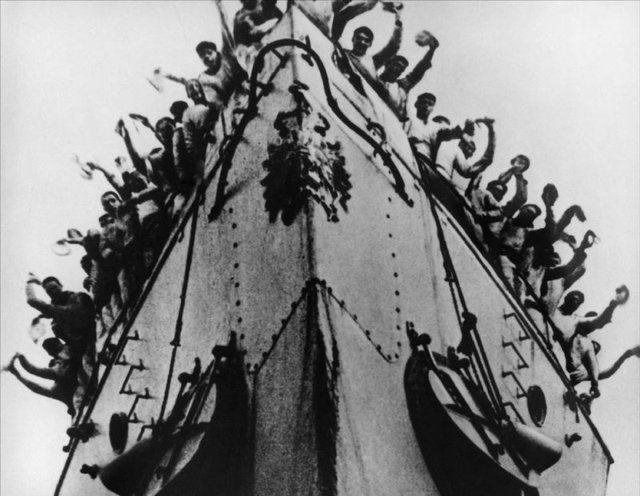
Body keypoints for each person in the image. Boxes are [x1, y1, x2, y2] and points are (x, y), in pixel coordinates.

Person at [25, 275, 96, 417]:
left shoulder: (77, 298)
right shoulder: (55, 322)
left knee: (88, 369)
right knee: (82, 379)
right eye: (49, 291)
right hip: (83, 350)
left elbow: (33, 301)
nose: (52, 292)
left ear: (60, 285)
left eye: (54, 288)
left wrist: (30, 283)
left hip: (97, 336)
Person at [553, 286, 629, 398]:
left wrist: (613, 305)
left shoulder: (578, 328)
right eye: (574, 299)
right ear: (566, 298)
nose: (575, 303)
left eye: (578, 302)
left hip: (558, 370)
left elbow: (599, 321)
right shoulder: (554, 310)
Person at [3, 338, 78, 417]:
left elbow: (35, 372)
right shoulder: (61, 365)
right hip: (75, 402)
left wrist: (20, 357)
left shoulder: (65, 358)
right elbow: (38, 387)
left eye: (50, 351)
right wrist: (18, 375)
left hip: (78, 395)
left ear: (58, 345)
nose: (49, 354)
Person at [467, 155, 529, 249]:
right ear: (488, 189)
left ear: (502, 197)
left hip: (481, 243)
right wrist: (512, 170)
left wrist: (518, 174)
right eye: (495, 190)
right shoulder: (477, 194)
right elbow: (500, 182)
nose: (497, 193)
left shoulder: (501, 212)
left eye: (501, 193)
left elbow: (521, 198)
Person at [338, 4, 403, 90]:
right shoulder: (342, 53)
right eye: (359, 38)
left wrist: (398, 23)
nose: (362, 42)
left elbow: (393, 47)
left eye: (366, 40)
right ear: (353, 39)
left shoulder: (372, 62)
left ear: (370, 44)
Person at [378, 31, 439, 121]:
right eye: (396, 65)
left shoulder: (401, 86)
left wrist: (431, 50)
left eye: (402, 69)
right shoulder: (372, 76)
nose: (398, 69)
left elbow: (418, 71)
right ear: (387, 64)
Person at [435, 118, 496, 195]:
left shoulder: (444, 142)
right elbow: (468, 171)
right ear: (464, 145)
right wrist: (491, 131)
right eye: (469, 150)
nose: (469, 156)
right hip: (442, 177)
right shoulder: (457, 150)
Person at [408, 92, 471, 163]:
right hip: (407, 152)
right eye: (424, 102)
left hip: (424, 160)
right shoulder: (408, 119)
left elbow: (449, 133)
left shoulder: (435, 127)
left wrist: (465, 130)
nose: (426, 105)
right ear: (416, 104)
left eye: (430, 104)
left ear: (432, 108)